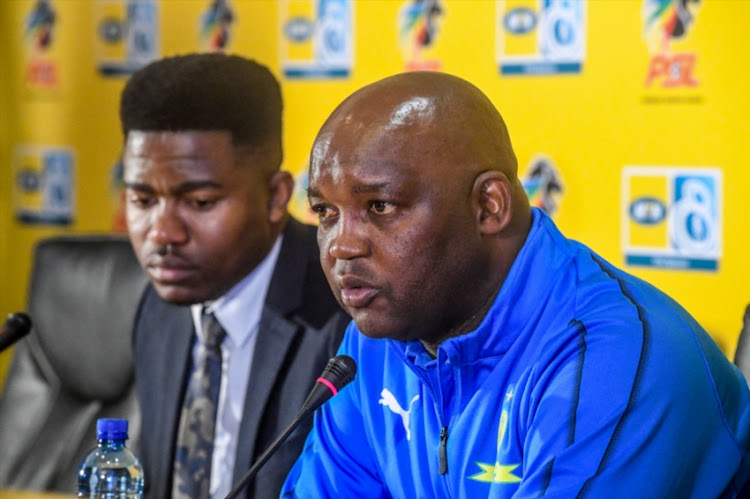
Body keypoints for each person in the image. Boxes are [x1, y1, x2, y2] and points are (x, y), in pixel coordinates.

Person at [281, 71, 750, 497]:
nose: (341, 247)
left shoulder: (614, 358)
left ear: (489, 206)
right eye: (326, 213)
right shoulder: (374, 344)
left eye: (380, 207)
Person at [119, 53, 348, 499]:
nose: (163, 234)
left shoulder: (343, 316)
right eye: (143, 201)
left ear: (276, 196)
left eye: (200, 202)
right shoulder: (158, 307)